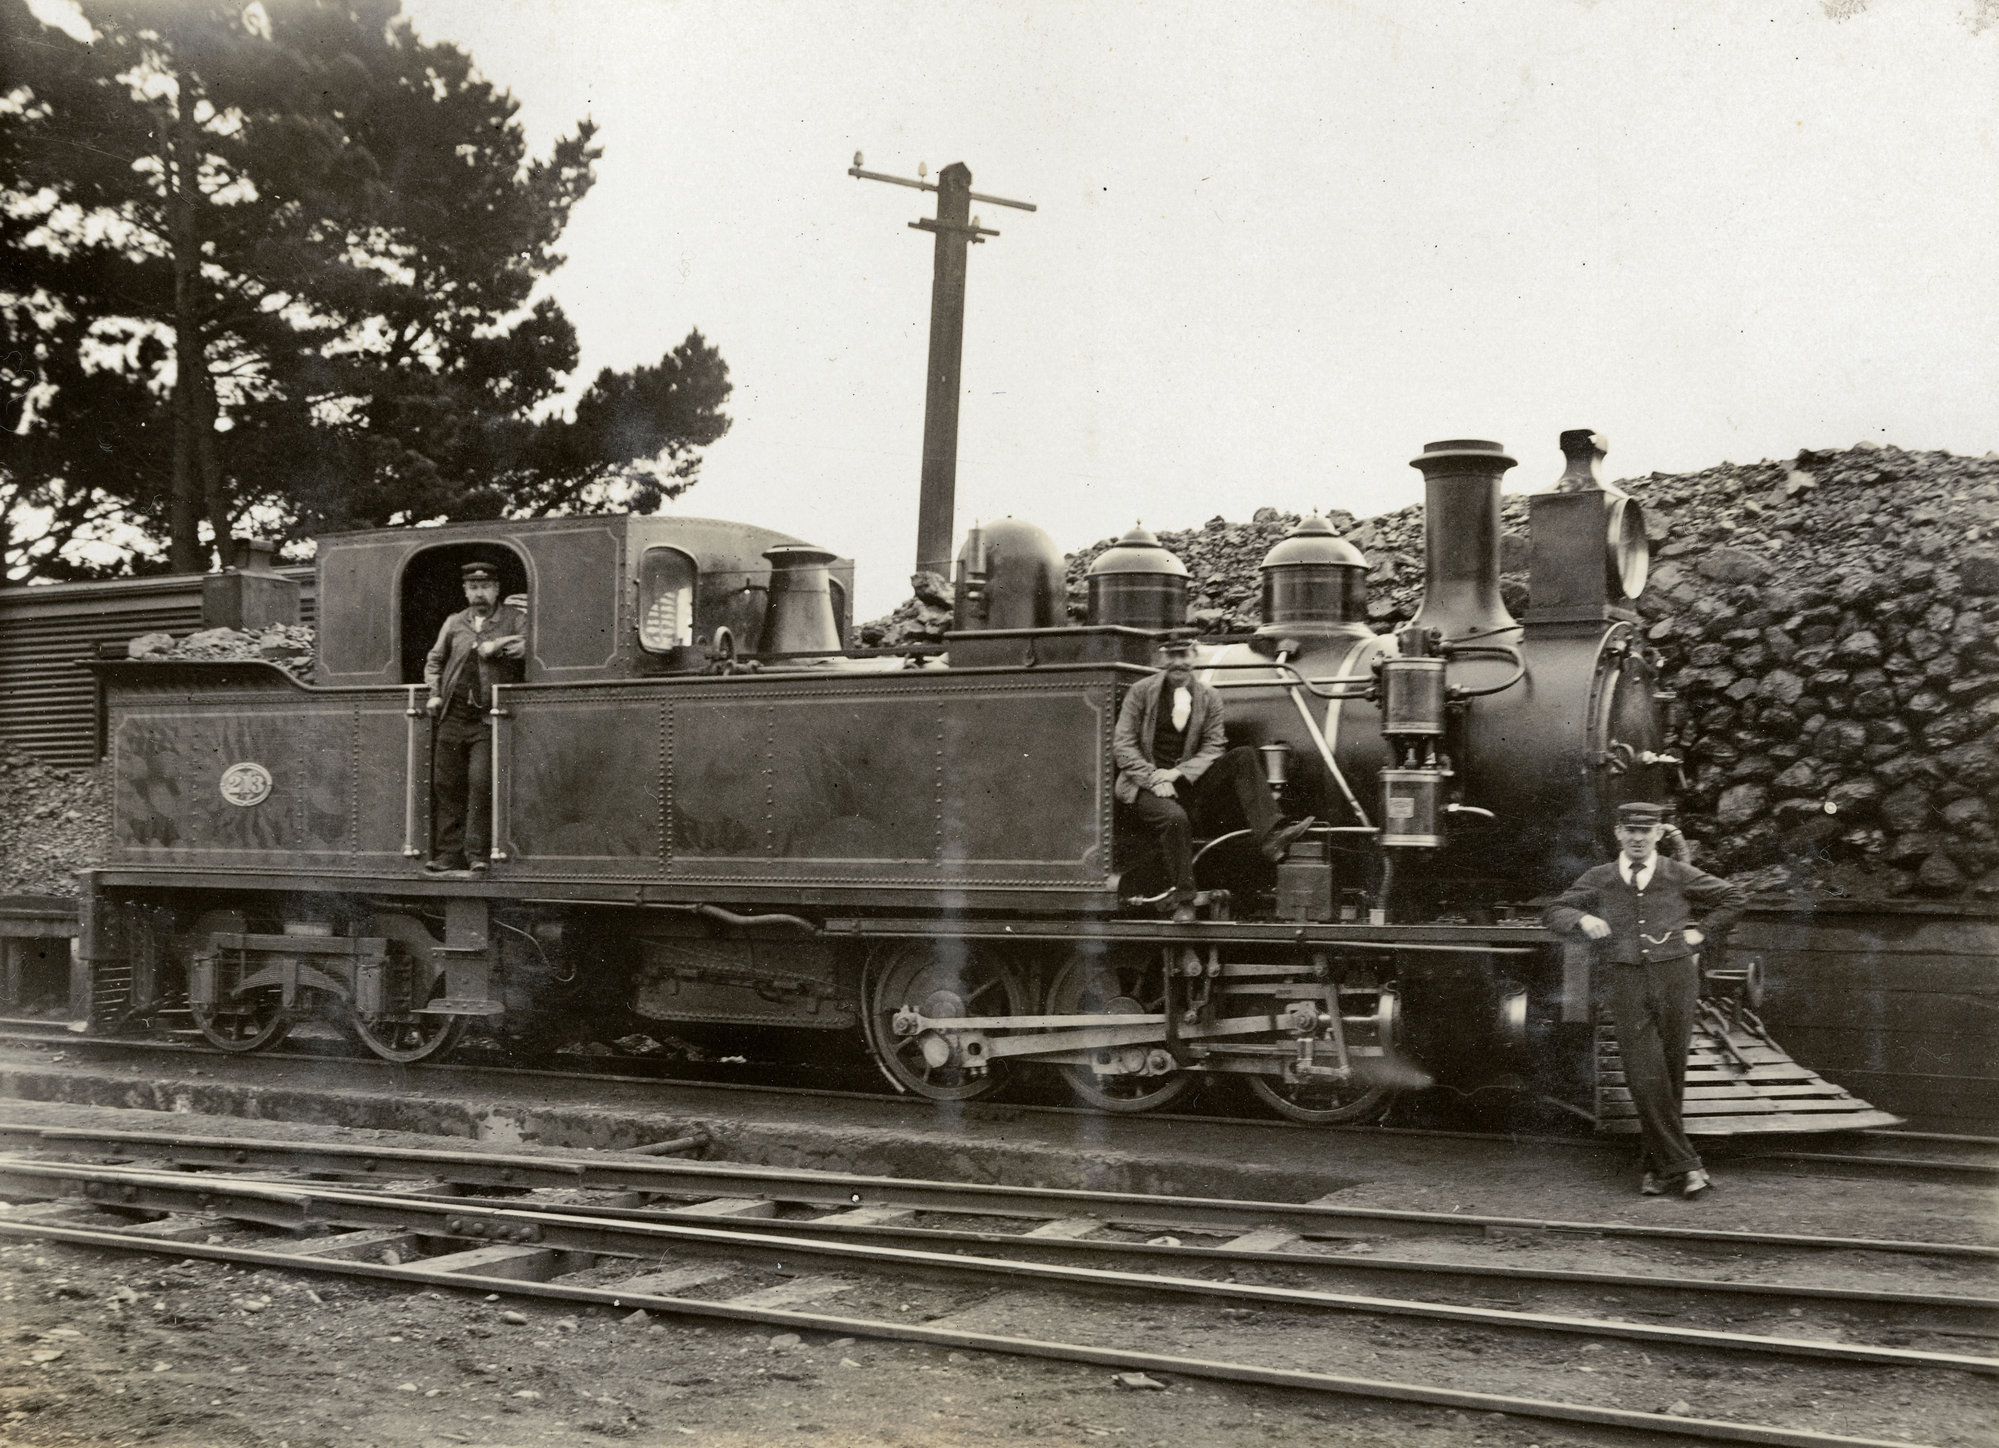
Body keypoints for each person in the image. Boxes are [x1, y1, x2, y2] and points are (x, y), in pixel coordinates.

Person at [1542, 801, 1748, 1197]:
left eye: (1646, 830)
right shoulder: (1599, 878)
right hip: (1625, 981)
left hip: (1676, 979)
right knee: (1643, 1072)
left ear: (1659, 834)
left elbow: (1734, 897)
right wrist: (1582, 919)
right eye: (1630, 830)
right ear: (1618, 833)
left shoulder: (1677, 874)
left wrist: (1700, 933)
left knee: (1670, 1074)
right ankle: (1687, 1167)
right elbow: (1554, 910)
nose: (1637, 838)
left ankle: (1654, 1168)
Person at [1114, 639, 1315, 922]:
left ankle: (1271, 837)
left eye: (1183, 654)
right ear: (1161, 660)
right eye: (1171, 655)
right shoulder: (1140, 693)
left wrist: (1177, 774)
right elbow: (1123, 746)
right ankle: (1185, 900)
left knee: (1243, 756)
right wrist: (1153, 778)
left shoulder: (1208, 697)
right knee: (1175, 819)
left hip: (1185, 782)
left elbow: (1214, 746)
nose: (1178, 662)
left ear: (1194, 656)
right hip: (1142, 785)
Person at [423, 562, 527, 873]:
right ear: (466, 591)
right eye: (473, 588)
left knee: (480, 783)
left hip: (486, 718)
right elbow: (434, 660)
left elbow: (528, 644)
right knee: (447, 784)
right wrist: (434, 693)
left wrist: (498, 645)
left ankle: (476, 853)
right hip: (452, 715)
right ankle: (448, 855)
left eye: (485, 587)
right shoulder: (455, 622)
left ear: (496, 590)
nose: (479, 593)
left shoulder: (513, 619)